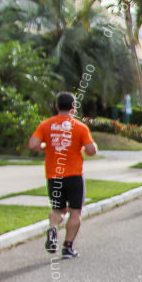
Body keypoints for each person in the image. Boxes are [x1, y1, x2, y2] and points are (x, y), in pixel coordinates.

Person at [29, 92, 98, 259]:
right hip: (74, 175)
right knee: (75, 212)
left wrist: (46, 146)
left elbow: (33, 144)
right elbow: (92, 150)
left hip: (54, 175)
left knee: (58, 209)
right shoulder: (80, 127)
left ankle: (53, 228)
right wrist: (83, 151)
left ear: (57, 106)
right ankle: (67, 247)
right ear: (73, 108)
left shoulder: (46, 125)